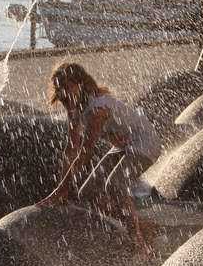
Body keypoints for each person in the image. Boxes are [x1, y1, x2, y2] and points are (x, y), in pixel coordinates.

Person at [37, 62, 161, 253]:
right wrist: (60, 189)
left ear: (80, 83)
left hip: (144, 143)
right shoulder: (76, 107)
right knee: (88, 192)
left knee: (115, 184)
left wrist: (60, 191)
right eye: (59, 89)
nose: (63, 93)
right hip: (122, 146)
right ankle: (143, 226)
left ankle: (140, 243)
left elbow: (85, 152)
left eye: (66, 87)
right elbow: (71, 149)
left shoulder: (98, 109)